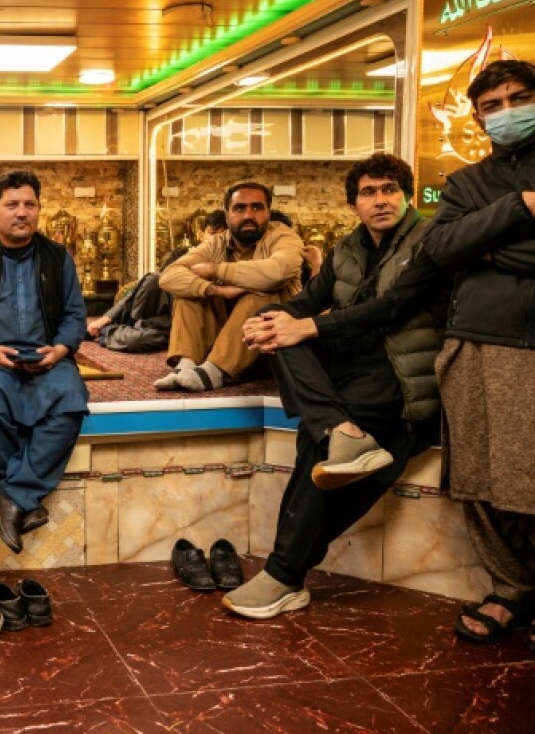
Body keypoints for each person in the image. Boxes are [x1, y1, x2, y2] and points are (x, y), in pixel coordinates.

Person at [224, 153, 446, 618]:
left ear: (406, 196)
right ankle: (340, 428)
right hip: (348, 369)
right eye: (369, 192)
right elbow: (307, 301)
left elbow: (392, 307)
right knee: (279, 327)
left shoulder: (430, 241)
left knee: (315, 447)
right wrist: (267, 322)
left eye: (390, 190)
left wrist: (308, 326)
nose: (380, 200)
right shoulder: (347, 248)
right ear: (353, 205)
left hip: (399, 375)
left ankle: (284, 575)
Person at [421, 59, 535, 647]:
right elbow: (441, 248)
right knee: (479, 478)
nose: (506, 113)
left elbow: (465, 247)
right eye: (493, 106)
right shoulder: (467, 182)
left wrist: (489, 251)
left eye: (519, 99)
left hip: (528, 347)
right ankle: (510, 587)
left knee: (528, 477)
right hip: (475, 341)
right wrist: (520, 208)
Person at [0, 170, 89, 554]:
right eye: (11, 205)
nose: (21, 212)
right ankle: (26, 499)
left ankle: (10, 497)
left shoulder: (58, 258)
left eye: (29, 204)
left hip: (47, 358)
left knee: (71, 402)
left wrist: (59, 350)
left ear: (39, 209)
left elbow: (75, 316)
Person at [155, 181, 304, 392]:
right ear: (227, 215)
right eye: (239, 208)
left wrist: (215, 270)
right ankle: (187, 365)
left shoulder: (284, 237)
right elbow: (168, 276)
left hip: (270, 346)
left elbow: (277, 272)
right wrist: (216, 290)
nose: (248, 215)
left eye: (257, 207)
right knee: (191, 292)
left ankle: (213, 372)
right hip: (221, 340)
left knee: (259, 295)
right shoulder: (217, 243)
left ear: (268, 213)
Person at [88, 210, 226, 352]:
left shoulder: (228, 265)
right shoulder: (182, 254)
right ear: (201, 235)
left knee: (137, 339)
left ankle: (108, 332)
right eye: (212, 233)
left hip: (177, 320)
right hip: (153, 312)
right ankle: (123, 326)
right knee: (154, 279)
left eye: (222, 235)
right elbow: (140, 292)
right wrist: (107, 317)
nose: (216, 240)